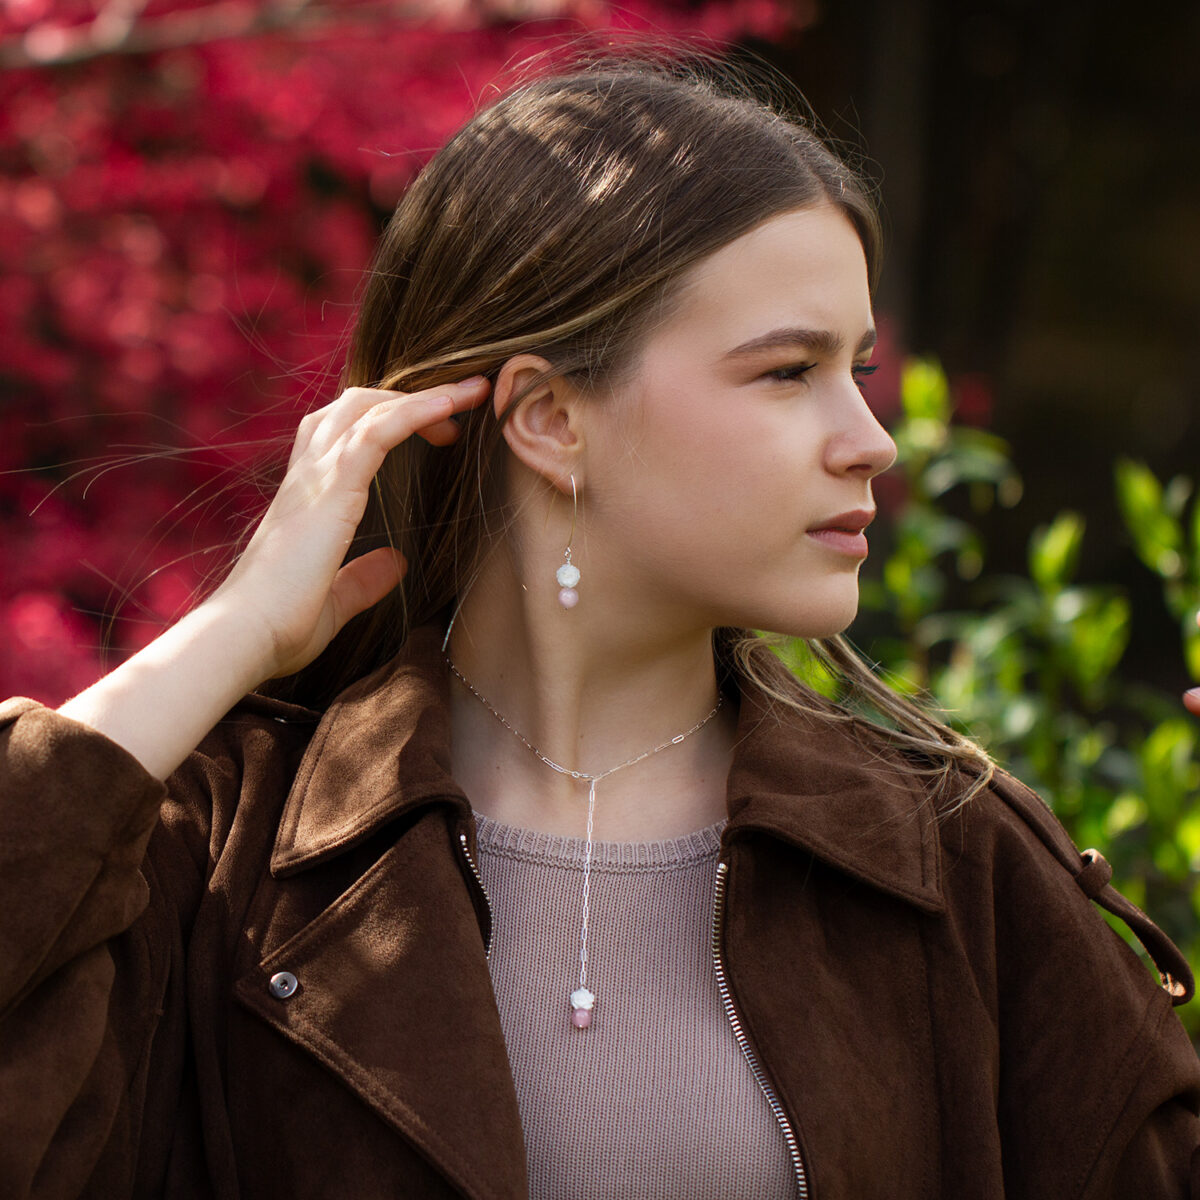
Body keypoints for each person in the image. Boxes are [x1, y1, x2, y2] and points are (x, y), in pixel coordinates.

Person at [1, 51, 1198, 1200]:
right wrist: (234, 631)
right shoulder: (221, 853)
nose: (870, 439)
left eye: (859, 369)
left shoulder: (953, 862)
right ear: (551, 423)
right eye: (789, 372)